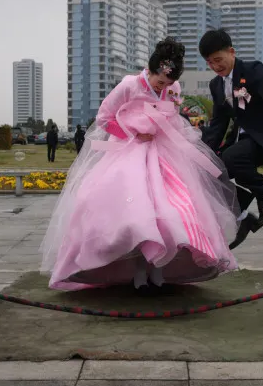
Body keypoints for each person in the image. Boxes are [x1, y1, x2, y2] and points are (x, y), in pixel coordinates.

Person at [40, 38, 240, 290]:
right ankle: (136, 270)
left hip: (164, 154)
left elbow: (172, 117)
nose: (164, 86)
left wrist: (161, 125)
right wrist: (133, 133)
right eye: (160, 82)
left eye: (168, 84)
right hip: (129, 152)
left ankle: (159, 268)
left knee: (172, 211)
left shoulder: (173, 88)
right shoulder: (129, 85)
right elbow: (104, 118)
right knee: (134, 213)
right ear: (150, 70)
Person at [199, 29, 263, 242]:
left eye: (218, 60)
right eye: (209, 62)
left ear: (231, 52)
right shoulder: (217, 85)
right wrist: (203, 153)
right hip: (241, 142)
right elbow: (218, 124)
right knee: (212, 170)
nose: (215, 66)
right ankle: (242, 214)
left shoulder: (252, 70)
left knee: (232, 158)